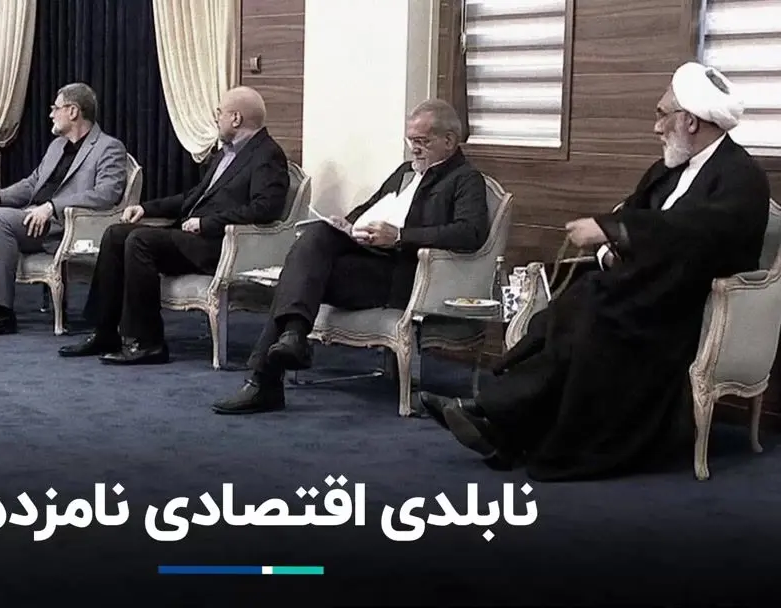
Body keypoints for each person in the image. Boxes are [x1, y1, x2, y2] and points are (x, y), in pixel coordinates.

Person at [417, 62, 772, 482]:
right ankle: (501, 422)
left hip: (690, 308)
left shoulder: (741, 176)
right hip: (644, 292)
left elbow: (697, 233)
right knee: (566, 312)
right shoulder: (668, 169)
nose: (656, 127)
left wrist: (611, 230)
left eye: (662, 114)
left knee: (590, 318)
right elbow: (633, 218)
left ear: (690, 121)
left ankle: (523, 430)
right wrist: (608, 247)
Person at [211, 99, 490, 415]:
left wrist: (401, 236)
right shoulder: (404, 172)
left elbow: (469, 233)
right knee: (317, 236)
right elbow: (371, 207)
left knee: (298, 277)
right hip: (370, 263)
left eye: (422, 142)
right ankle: (290, 340)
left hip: (406, 276)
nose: (414, 148)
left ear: (449, 140)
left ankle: (267, 377)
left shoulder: (465, 179)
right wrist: (348, 224)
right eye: (411, 140)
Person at [58, 86, 289, 365]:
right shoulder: (225, 154)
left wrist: (207, 223)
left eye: (219, 113)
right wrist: (146, 208)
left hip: (221, 244)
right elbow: (191, 198)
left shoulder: (267, 154)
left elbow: (265, 209)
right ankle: (105, 331)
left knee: (140, 241)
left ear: (236, 118)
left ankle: (148, 343)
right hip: (192, 239)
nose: (216, 118)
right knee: (116, 234)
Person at [0, 83, 127, 337]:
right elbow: (32, 183)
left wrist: (52, 207)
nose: (51, 114)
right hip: (29, 219)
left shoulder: (108, 147)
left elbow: (106, 194)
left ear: (73, 111)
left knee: (0, 219)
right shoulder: (57, 146)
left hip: (62, 227)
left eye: (55, 108)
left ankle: (0, 311)